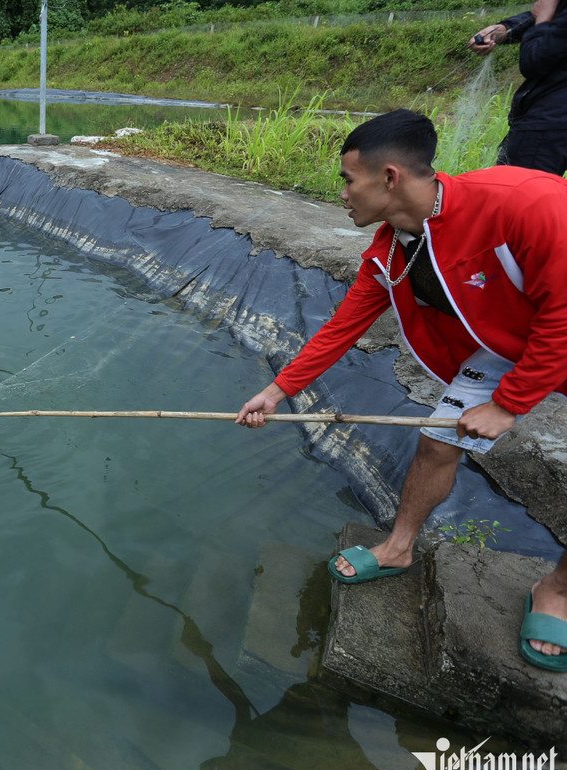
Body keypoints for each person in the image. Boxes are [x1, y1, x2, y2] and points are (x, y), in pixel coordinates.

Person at [235, 109, 567, 671]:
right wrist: (277, 389)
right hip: (502, 349)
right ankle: (399, 546)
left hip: (555, 328)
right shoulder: (393, 249)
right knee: (439, 441)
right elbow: (344, 325)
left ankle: (557, 589)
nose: (341, 193)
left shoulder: (525, 203)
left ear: (389, 177)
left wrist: (509, 405)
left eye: (348, 179)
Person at [469, 0, 567, 176]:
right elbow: (551, 15)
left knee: (515, 193)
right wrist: (503, 29)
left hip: (547, 126)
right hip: (553, 120)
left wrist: (543, 17)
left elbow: (533, 61)